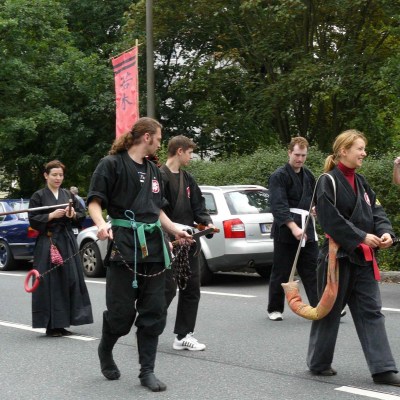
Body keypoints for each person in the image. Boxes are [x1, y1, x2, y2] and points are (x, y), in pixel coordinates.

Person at [87, 117, 192, 392]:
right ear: (147, 137)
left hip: (155, 247)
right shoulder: (111, 164)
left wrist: (175, 230)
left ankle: (147, 371)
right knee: (121, 315)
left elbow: (157, 211)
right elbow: (95, 202)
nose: (159, 143)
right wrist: (100, 225)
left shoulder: (155, 171)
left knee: (154, 311)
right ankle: (106, 348)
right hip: (124, 245)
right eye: (158, 138)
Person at [307, 129, 400, 386]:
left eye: (364, 149)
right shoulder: (326, 181)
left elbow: (377, 212)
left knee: (372, 312)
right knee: (329, 312)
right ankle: (319, 362)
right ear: (343, 151)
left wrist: (386, 233)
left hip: (363, 260)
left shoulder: (362, 181)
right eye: (360, 148)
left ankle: (383, 369)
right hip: (337, 259)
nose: (364, 153)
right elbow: (330, 220)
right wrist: (361, 237)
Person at [161, 135, 215, 351]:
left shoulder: (188, 178)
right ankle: (148, 328)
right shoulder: (159, 177)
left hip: (190, 240)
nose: (191, 157)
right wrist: (171, 233)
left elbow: (198, 206)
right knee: (166, 290)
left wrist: (207, 222)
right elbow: (156, 210)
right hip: (167, 241)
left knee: (192, 288)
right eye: (190, 153)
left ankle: (183, 335)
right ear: (180, 151)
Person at [28, 160, 93, 337]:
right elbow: (33, 219)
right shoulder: (38, 196)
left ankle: (65, 321)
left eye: (61, 175)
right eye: (54, 175)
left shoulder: (68, 195)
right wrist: (51, 215)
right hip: (48, 240)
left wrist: (73, 215)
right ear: (46, 175)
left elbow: (81, 214)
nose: (58, 178)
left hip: (66, 240)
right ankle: (51, 324)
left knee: (71, 278)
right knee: (50, 281)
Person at [267, 137, 318, 321]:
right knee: (282, 270)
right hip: (286, 230)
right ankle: (275, 308)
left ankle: (319, 306)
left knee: (312, 269)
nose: (300, 159)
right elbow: (278, 205)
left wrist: (315, 208)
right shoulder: (278, 176)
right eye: (297, 154)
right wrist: (293, 227)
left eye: (303, 155)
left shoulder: (309, 175)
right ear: (289, 153)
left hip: (307, 227)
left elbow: (314, 198)